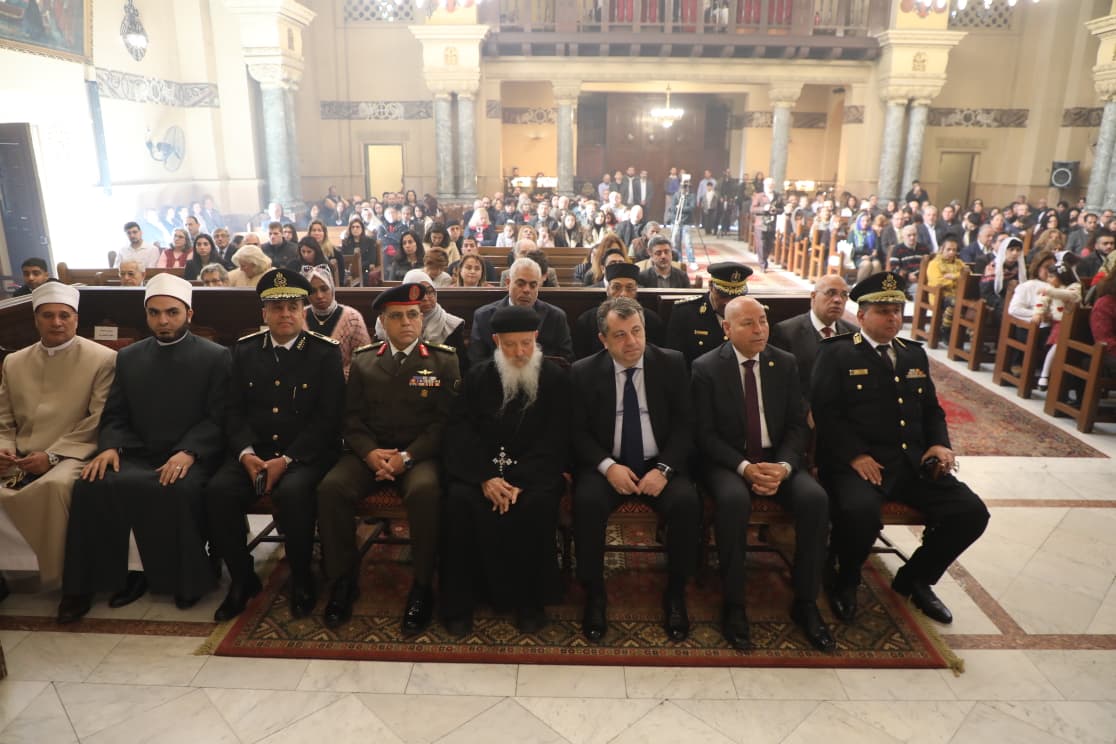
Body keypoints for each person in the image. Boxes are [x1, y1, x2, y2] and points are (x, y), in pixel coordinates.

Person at [811, 271, 989, 626]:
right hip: (857, 464)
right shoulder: (838, 353)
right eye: (883, 311)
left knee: (970, 512)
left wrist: (939, 444)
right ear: (862, 315)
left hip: (911, 464)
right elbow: (824, 413)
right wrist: (855, 454)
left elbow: (931, 409)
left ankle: (915, 578)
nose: (893, 318)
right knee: (860, 512)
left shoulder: (912, 355)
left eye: (897, 310)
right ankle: (846, 578)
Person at [57, 274, 231, 623]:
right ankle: (100, 581)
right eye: (154, 313)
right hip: (137, 452)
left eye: (172, 312)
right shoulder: (129, 357)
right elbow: (115, 413)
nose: (163, 320)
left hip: (192, 456)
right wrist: (110, 447)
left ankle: (185, 579)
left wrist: (189, 452)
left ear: (189, 314)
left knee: (174, 487)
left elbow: (220, 417)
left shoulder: (216, 356)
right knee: (92, 484)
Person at [316, 283, 460, 632]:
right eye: (396, 316)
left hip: (419, 455)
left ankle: (422, 586)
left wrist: (407, 457)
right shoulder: (365, 359)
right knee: (331, 488)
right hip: (371, 452)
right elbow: (351, 418)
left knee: (425, 492)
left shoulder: (443, 360)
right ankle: (343, 580)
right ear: (382, 321)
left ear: (422, 318)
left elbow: (445, 423)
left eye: (413, 315)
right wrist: (369, 453)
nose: (407, 322)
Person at [691, 296, 833, 652]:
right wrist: (745, 468)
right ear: (727, 328)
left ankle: (806, 601)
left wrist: (783, 467)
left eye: (763, 321)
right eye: (748, 323)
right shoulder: (706, 368)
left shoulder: (783, 363)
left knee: (815, 500)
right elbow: (704, 434)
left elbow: (797, 425)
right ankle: (734, 604)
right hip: (729, 461)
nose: (759, 330)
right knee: (733, 502)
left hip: (777, 459)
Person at [205, 268, 345, 622]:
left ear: (303, 311)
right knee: (219, 491)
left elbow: (328, 418)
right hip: (254, 452)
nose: (286, 314)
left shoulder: (324, 352)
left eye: (293, 307)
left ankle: (302, 578)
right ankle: (243, 579)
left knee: (294, 494)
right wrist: (246, 454)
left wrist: (288, 459)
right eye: (277, 308)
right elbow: (232, 410)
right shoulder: (245, 351)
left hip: (305, 454)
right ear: (264, 313)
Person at [570, 296, 699, 643]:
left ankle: (676, 593)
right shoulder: (583, 372)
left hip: (659, 463)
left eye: (637, 331)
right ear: (603, 339)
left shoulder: (671, 363)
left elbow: (686, 425)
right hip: (608, 464)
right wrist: (607, 466)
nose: (632, 342)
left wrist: (665, 468)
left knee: (686, 503)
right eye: (620, 334)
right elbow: (576, 432)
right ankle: (595, 593)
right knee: (586, 503)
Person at [441, 305, 570, 635]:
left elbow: (558, 436)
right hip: (482, 473)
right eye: (511, 345)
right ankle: (461, 603)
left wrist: (519, 480)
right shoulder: (478, 377)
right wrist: (485, 477)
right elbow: (460, 431)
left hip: (534, 475)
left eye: (526, 343)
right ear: (497, 341)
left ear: (536, 338)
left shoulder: (555, 378)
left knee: (536, 505)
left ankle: (530, 602)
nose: (520, 352)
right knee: (459, 501)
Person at [0, 283, 116, 594]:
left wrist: (52, 456)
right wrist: (4, 450)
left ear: (76, 319)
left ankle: (70, 583)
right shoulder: (14, 361)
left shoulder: (102, 358)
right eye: (47, 315)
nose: (56, 322)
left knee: (55, 487)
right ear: (35, 320)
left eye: (64, 315)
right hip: (19, 455)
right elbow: (3, 418)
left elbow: (98, 419)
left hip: (73, 454)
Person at [468, 257, 573, 365]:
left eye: (533, 285)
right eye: (520, 284)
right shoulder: (483, 316)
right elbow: (476, 363)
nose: (527, 290)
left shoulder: (556, 317)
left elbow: (565, 360)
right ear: (508, 283)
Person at [770, 274, 857, 394]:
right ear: (814, 296)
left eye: (844, 295)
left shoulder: (853, 333)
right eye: (831, 293)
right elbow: (781, 382)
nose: (838, 300)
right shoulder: (786, 332)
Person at [573, 262, 665, 359]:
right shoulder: (586, 321)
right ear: (608, 290)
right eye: (616, 287)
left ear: (636, 291)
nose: (623, 294)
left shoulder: (653, 320)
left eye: (629, 288)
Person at [665, 261, 751, 365]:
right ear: (710, 286)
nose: (728, 302)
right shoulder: (685, 312)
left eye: (735, 297)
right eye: (723, 295)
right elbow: (675, 362)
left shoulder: (753, 313)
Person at [376, 269, 466, 363]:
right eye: (420, 294)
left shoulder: (451, 325)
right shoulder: (386, 323)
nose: (426, 298)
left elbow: (461, 364)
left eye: (430, 292)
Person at [303, 265, 372, 379]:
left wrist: (337, 378)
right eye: (313, 291)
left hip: (345, 384)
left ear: (332, 288)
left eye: (324, 289)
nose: (319, 296)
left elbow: (364, 359)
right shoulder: (299, 317)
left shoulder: (352, 318)